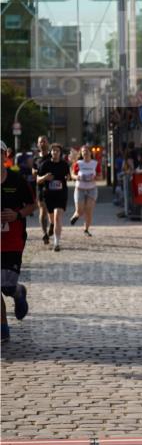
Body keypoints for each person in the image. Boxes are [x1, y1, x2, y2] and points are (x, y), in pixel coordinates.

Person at [1, 141, 35, 342]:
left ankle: (18, 291)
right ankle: (2, 327)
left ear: (5, 156)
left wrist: (17, 214)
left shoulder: (17, 180)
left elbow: (32, 205)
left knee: (5, 285)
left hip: (13, 241)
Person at [35, 143, 70, 251]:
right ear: (50, 152)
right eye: (53, 150)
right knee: (52, 219)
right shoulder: (45, 164)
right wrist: (45, 177)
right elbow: (37, 180)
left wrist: (67, 177)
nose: (55, 152)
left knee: (57, 217)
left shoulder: (64, 164)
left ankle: (56, 243)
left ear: (60, 153)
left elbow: (68, 176)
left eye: (57, 151)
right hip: (49, 195)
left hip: (61, 194)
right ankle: (52, 225)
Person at [70, 145, 98, 236]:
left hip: (91, 189)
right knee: (80, 211)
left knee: (89, 211)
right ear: (81, 153)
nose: (85, 153)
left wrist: (94, 177)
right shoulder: (78, 163)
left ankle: (86, 229)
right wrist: (77, 177)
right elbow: (72, 175)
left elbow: (101, 176)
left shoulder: (95, 163)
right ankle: (75, 216)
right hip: (80, 189)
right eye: (83, 151)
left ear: (90, 152)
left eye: (87, 151)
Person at [32, 135, 51, 243]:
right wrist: (35, 172)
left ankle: (52, 227)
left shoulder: (52, 156)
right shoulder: (36, 158)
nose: (42, 144)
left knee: (51, 211)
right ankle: (44, 233)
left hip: (52, 188)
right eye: (40, 142)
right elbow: (33, 172)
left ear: (48, 143)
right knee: (43, 211)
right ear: (38, 144)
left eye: (44, 141)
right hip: (40, 188)